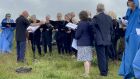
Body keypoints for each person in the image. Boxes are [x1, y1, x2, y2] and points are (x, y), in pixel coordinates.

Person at [119, 0, 140, 78]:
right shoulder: (128, 11)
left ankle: (135, 75)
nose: (128, 2)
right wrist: (123, 24)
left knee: (134, 57)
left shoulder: (139, 12)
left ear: (135, 2)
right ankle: (127, 75)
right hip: (128, 36)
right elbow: (128, 23)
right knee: (128, 57)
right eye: (128, 1)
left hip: (136, 37)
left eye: (130, 1)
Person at [91, 3, 113, 76]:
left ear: (97, 9)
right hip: (107, 39)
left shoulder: (96, 17)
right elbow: (111, 29)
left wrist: (95, 35)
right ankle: (106, 70)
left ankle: (103, 73)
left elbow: (92, 28)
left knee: (101, 57)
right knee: (106, 56)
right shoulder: (109, 17)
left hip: (99, 40)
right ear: (104, 9)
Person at [75, 11, 93, 78]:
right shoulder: (89, 23)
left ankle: (86, 74)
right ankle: (87, 72)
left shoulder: (81, 23)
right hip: (89, 42)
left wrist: (76, 35)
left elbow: (77, 35)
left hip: (82, 43)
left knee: (85, 59)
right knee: (88, 59)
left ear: (80, 16)